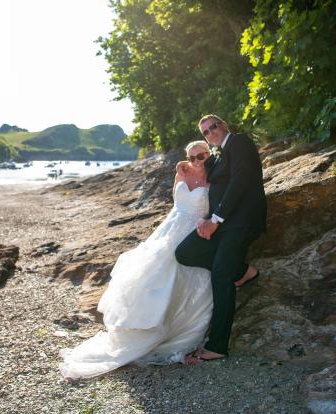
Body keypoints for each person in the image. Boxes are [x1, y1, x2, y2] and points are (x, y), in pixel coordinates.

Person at [59, 141, 214, 380]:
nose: (197, 161)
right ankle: (139, 327)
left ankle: (170, 330)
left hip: (193, 232)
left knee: (181, 278)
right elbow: (176, 201)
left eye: (201, 155)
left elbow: (214, 209)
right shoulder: (182, 173)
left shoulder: (215, 178)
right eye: (192, 157)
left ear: (209, 154)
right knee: (149, 275)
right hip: (170, 228)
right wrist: (180, 173)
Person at [175, 114, 267, 363]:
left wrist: (215, 220)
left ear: (224, 125)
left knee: (220, 274)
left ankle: (217, 346)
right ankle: (243, 271)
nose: (211, 132)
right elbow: (206, 176)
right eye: (206, 131)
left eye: (213, 126)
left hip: (241, 221)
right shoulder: (218, 155)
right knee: (184, 252)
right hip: (223, 225)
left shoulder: (239, 142)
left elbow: (240, 182)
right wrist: (189, 168)